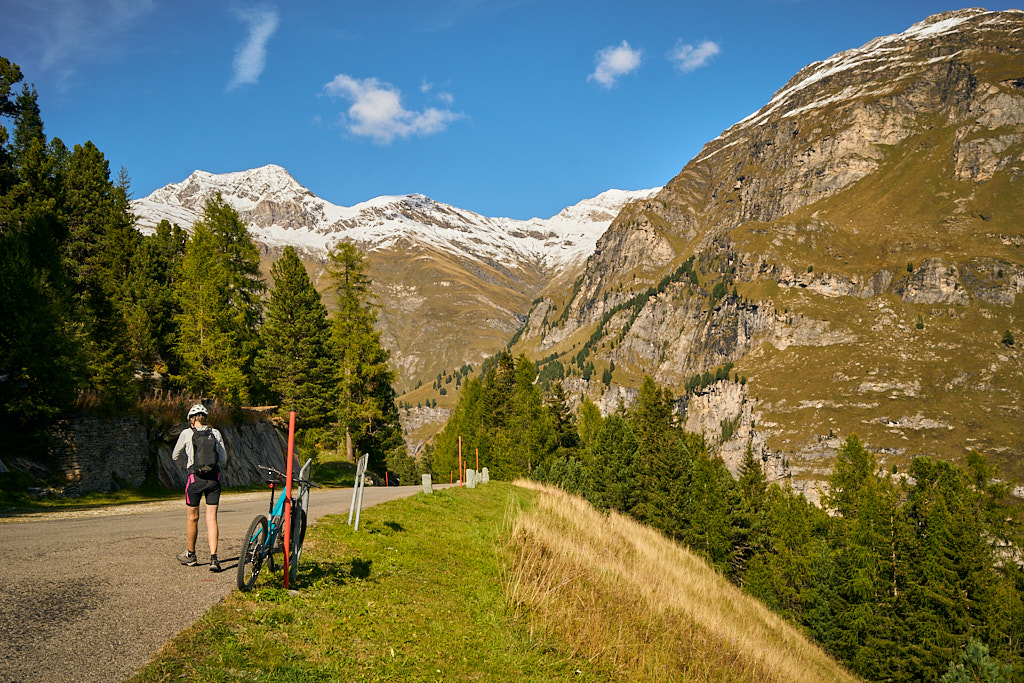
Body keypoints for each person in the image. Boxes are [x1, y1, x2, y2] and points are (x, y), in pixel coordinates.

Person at [172, 403, 228, 572]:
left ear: (191, 419)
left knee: (192, 518)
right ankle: (214, 559)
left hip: (194, 480)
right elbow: (224, 459)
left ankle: (191, 555)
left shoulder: (186, 433)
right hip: (214, 480)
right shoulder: (215, 433)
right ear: (205, 418)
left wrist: (189, 464)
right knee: (211, 519)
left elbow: (175, 456)